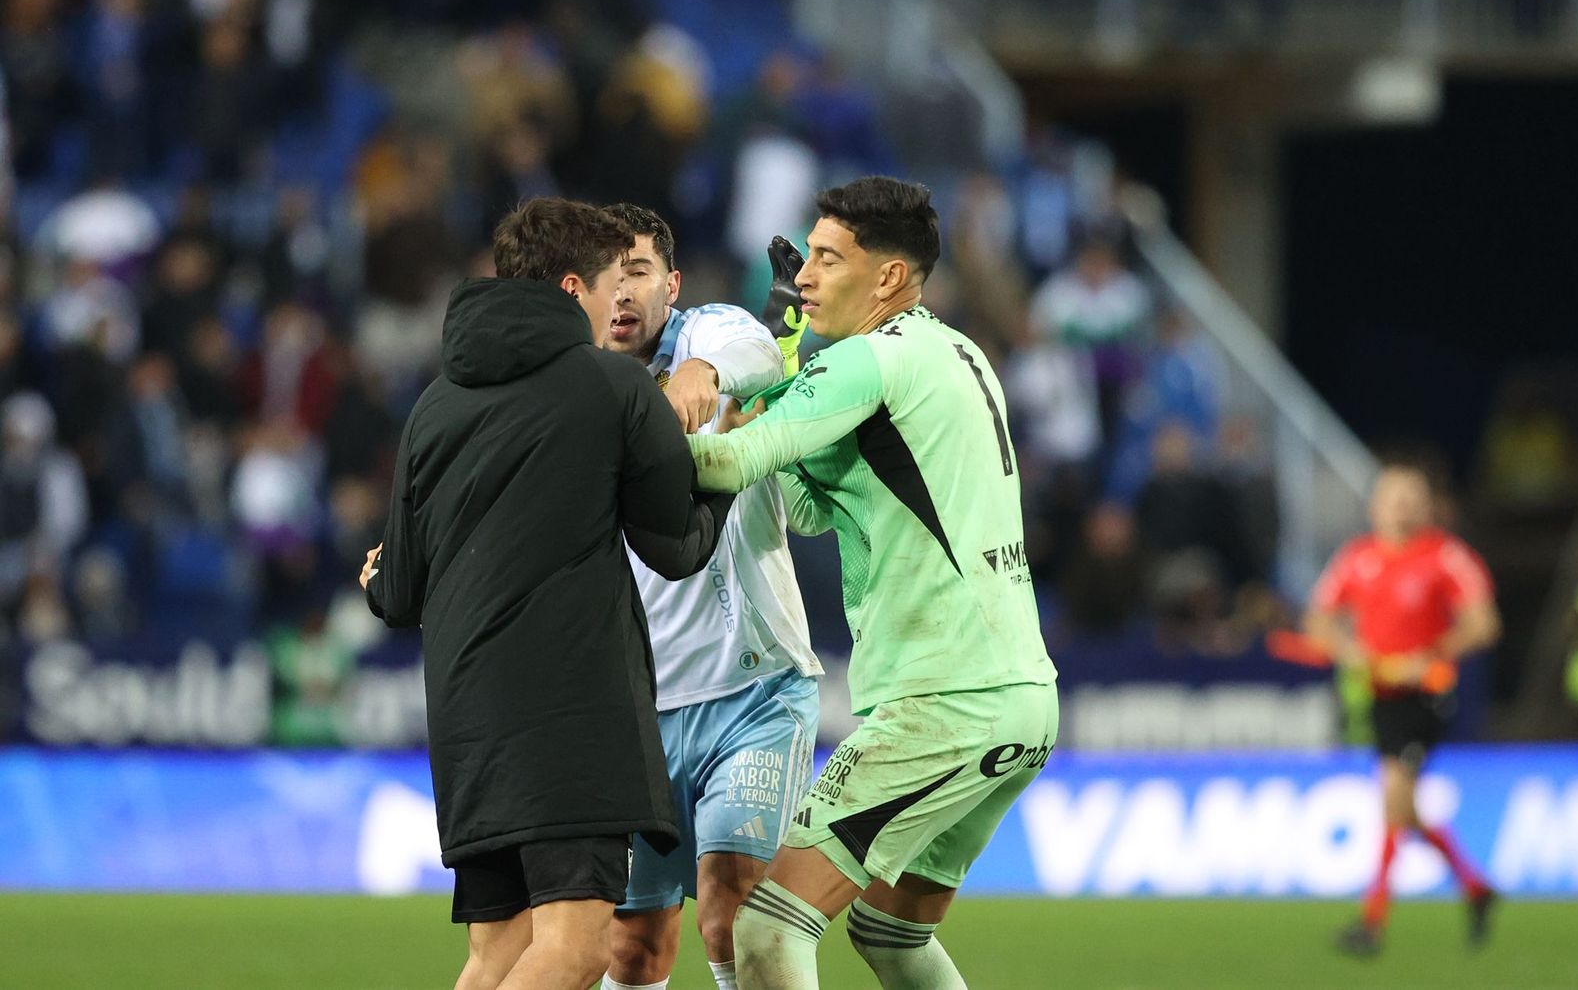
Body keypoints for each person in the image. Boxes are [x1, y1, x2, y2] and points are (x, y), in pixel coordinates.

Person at [688, 176, 1059, 989]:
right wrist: (783, 364)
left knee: (765, 927)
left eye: (827, 258)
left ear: (888, 277)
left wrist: (596, 425)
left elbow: (720, 462)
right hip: (1020, 695)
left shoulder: (869, 362)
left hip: (944, 700)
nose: (807, 276)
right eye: (808, 256)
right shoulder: (957, 352)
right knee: (891, 934)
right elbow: (817, 506)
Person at [360, 197, 732, 990]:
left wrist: (374, 576)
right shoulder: (611, 388)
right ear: (572, 287)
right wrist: (722, 459)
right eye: (608, 287)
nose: (617, 306)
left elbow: (396, 591)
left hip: (464, 716)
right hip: (572, 713)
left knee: (496, 953)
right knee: (576, 944)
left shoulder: (435, 402)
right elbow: (679, 546)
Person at [596, 203, 823, 990]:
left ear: (672, 284)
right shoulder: (575, 374)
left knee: (730, 912)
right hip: (633, 706)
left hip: (752, 688)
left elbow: (757, 347)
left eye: (639, 272)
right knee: (632, 944)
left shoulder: (705, 334)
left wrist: (708, 374)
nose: (623, 293)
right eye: (608, 275)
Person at [1303, 459, 1501, 957]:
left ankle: (1372, 922)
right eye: (1393, 495)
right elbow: (1318, 621)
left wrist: (1429, 657)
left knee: (1393, 794)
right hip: (1380, 697)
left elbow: (1484, 624)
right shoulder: (1356, 558)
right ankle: (1476, 889)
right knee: (1403, 808)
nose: (1402, 506)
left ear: (1428, 505)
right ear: (1375, 505)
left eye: (1412, 496)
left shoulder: (1447, 557)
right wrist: (1353, 654)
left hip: (1426, 695)